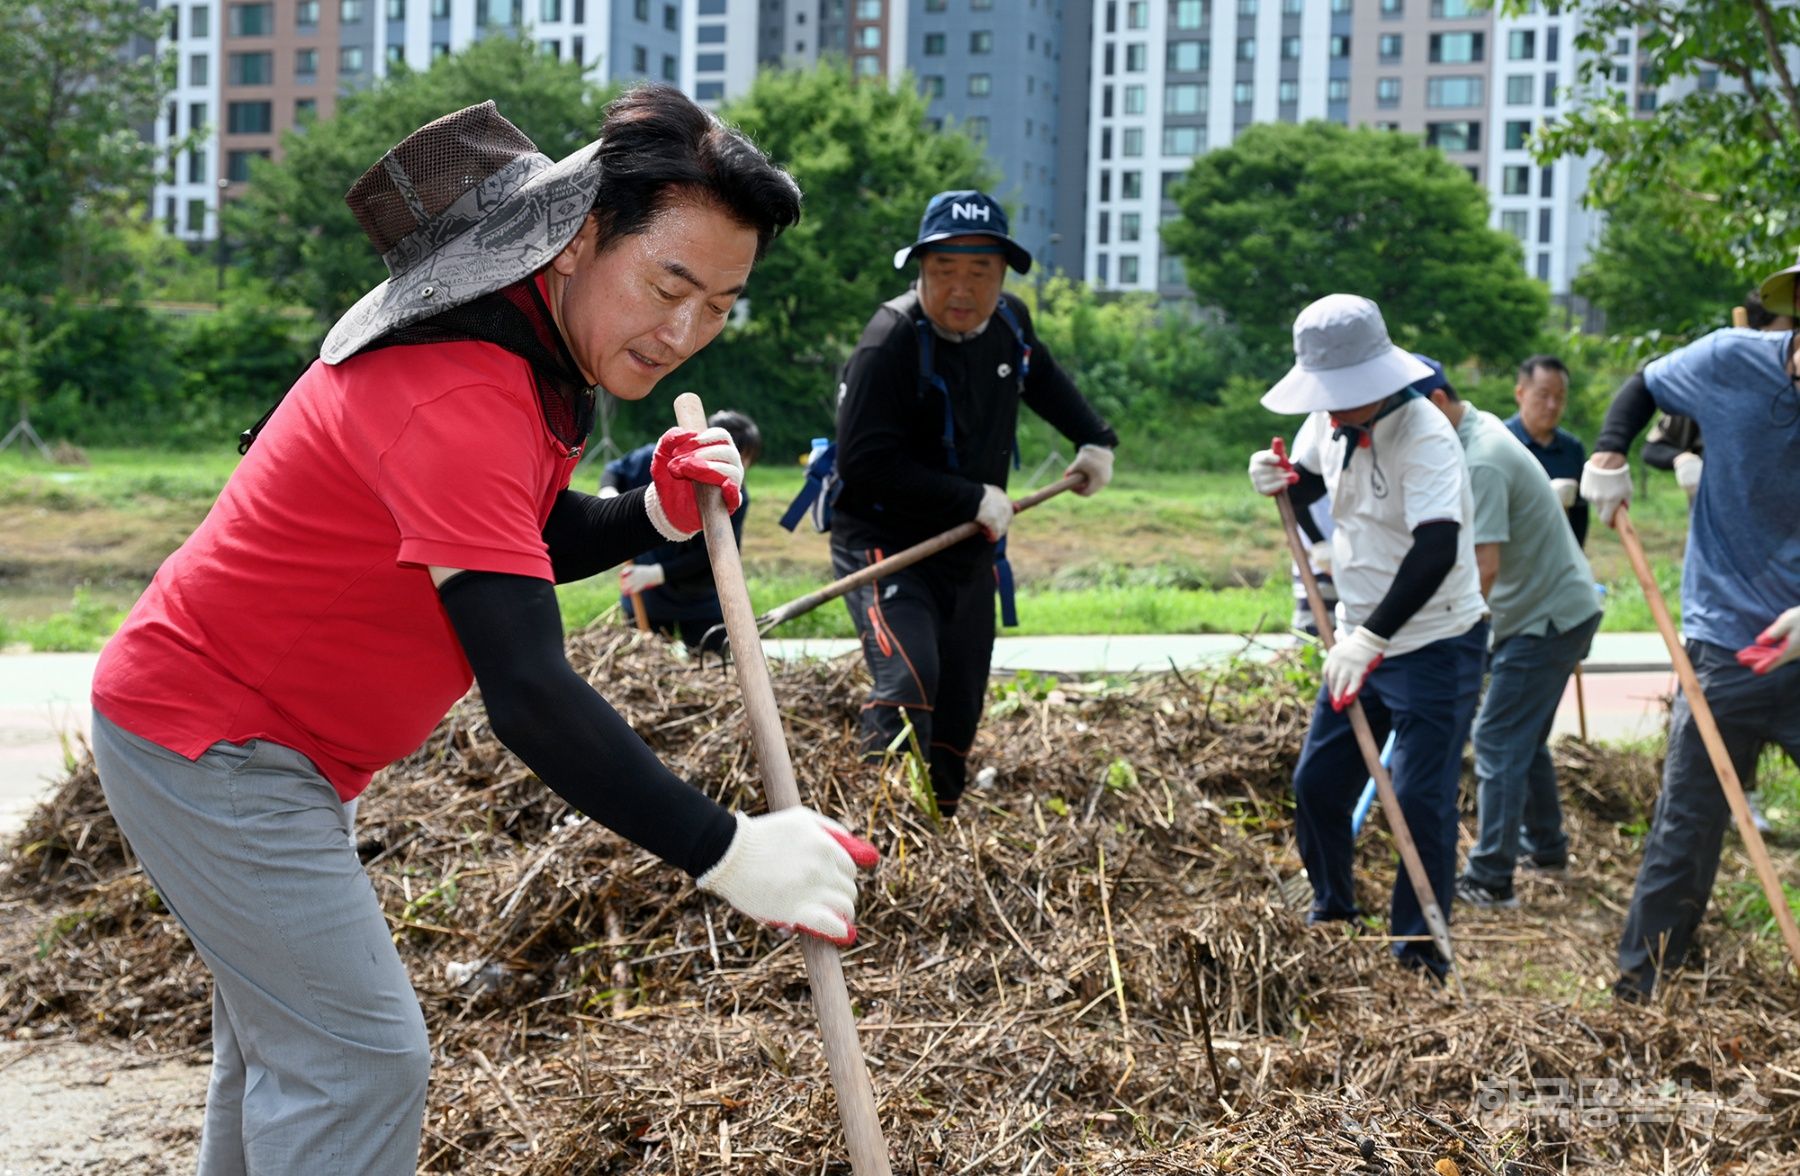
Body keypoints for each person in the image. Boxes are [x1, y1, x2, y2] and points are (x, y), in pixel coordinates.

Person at [86, 90, 881, 1174]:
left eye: (722, 306)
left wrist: (649, 512)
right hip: (216, 742)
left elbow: (520, 538)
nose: (686, 334)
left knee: (294, 1058)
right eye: (669, 286)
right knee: (358, 1061)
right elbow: (529, 691)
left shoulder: (525, 350)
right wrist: (728, 849)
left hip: (270, 745)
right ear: (582, 237)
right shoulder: (454, 386)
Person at [829, 189, 1118, 818]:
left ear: (1004, 274)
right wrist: (970, 495)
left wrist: (1096, 439)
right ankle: (877, 824)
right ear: (921, 272)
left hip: (967, 549)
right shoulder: (892, 341)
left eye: (979, 271)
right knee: (909, 681)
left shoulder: (1010, 324)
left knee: (960, 708)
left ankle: (937, 837)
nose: (960, 289)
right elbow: (864, 463)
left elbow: (1040, 376)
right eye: (943, 271)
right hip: (884, 545)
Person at [1580, 256, 1800, 1001]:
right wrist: (1611, 450)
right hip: (1726, 642)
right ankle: (1644, 991)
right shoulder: (1732, 361)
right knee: (1688, 824)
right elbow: (1645, 383)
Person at [1248, 294, 1488, 978]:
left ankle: (1419, 956)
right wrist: (1278, 484)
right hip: (1358, 636)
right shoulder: (1323, 423)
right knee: (1318, 782)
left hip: (1436, 642)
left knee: (1417, 801)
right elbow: (1310, 488)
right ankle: (1332, 910)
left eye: (1344, 394)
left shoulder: (1425, 435)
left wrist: (1372, 636)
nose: (1333, 407)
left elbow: (1437, 548)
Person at [1420, 359, 1604, 909]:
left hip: (1544, 620)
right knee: (1521, 738)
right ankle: (1545, 848)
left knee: (1497, 739)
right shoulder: (1476, 428)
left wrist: (1444, 633)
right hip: (1556, 609)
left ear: (1432, 406)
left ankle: (1491, 878)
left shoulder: (1483, 460)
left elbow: (1485, 568)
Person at [603, 408, 761, 651]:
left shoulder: (734, 495)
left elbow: (710, 556)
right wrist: (608, 494)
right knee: (646, 663)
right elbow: (615, 471)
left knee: (710, 666)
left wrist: (658, 572)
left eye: (742, 457)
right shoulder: (661, 459)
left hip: (701, 600)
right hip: (649, 596)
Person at [1503, 355, 1588, 547]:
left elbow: (1579, 515)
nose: (1552, 405)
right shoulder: (1500, 442)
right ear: (1520, 394)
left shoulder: (1572, 449)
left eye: (1560, 397)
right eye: (1543, 395)